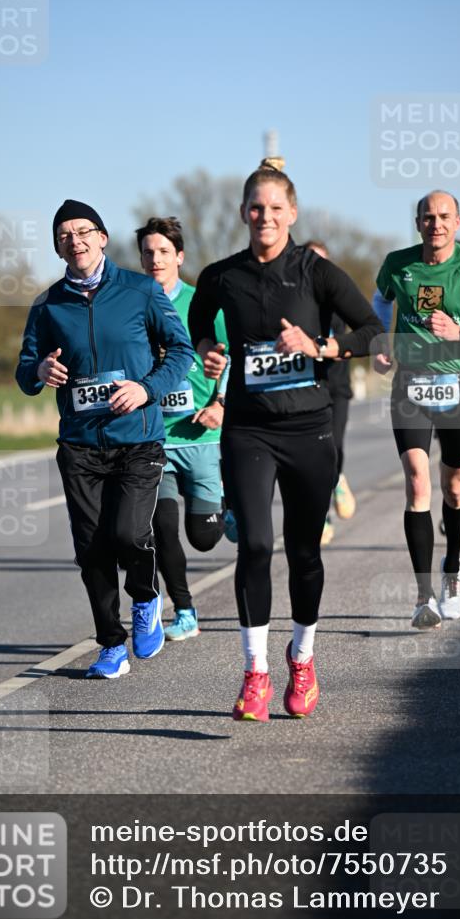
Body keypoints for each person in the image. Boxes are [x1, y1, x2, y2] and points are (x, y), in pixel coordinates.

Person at [189, 161, 383, 721]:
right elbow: (198, 321)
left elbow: (372, 331)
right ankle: (255, 673)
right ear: (242, 213)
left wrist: (319, 347)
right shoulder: (222, 276)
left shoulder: (316, 272)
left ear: (292, 213)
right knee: (254, 545)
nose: (265, 217)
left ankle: (302, 658)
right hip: (248, 429)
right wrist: (207, 349)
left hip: (308, 429)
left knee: (303, 551)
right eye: (256, 207)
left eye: (276, 208)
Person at [16, 199, 194, 678]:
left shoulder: (140, 290)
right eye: (64, 235)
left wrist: (146, 389)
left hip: (137, 439)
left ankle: (145, 598)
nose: (74, 241)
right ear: (58, 247)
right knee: (91, 548)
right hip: (79, 445)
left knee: (129, 534)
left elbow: (182, 351)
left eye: (82, 231)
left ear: (102, 238)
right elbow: (25, 370)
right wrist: (39, 370)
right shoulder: (48, 305)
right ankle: (111, 645)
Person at [374, 191, 460, 630]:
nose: (435, 224)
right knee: (417, 481)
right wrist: (382, 340)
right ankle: (423, 597)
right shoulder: (397, 264)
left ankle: (452, 568)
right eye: (428, 217)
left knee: (455, 487)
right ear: (417, 223)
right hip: (411, 385)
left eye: (443, 216)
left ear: (457, 222)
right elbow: (380, 301)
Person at [136, 216, 230, 642]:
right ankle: (185, 611)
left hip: (202, 435)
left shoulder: (200, 302)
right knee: (162, 531)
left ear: (180, 256)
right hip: (156, 437)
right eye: (148, 253)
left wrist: (221, 403)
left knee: (205, 537)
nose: (155, 259)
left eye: (163, 252)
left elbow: (233, 354)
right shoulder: (134, 304)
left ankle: (226, 503)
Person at [303, 240, 357, 546]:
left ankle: (337, 480)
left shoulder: (338, 297)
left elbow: (361, 331)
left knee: (334, 446)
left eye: (321, 261)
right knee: (313, 454)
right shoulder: (292, 300)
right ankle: (321, 513)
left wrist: (336, 348)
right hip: (306, 387)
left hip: (336, 386)